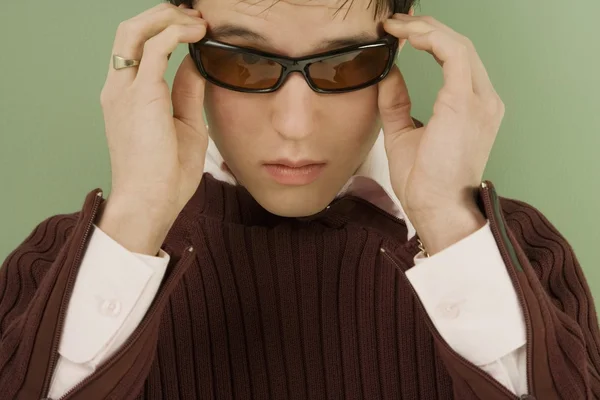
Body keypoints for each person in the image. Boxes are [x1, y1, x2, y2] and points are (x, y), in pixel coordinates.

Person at [0, 0, 598, 398]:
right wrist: (135, 217)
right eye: (244, 61)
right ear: (180, 44)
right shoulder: (57, 269)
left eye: (344, 64)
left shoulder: (517, 256)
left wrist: (448, 223)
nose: (294, 124)